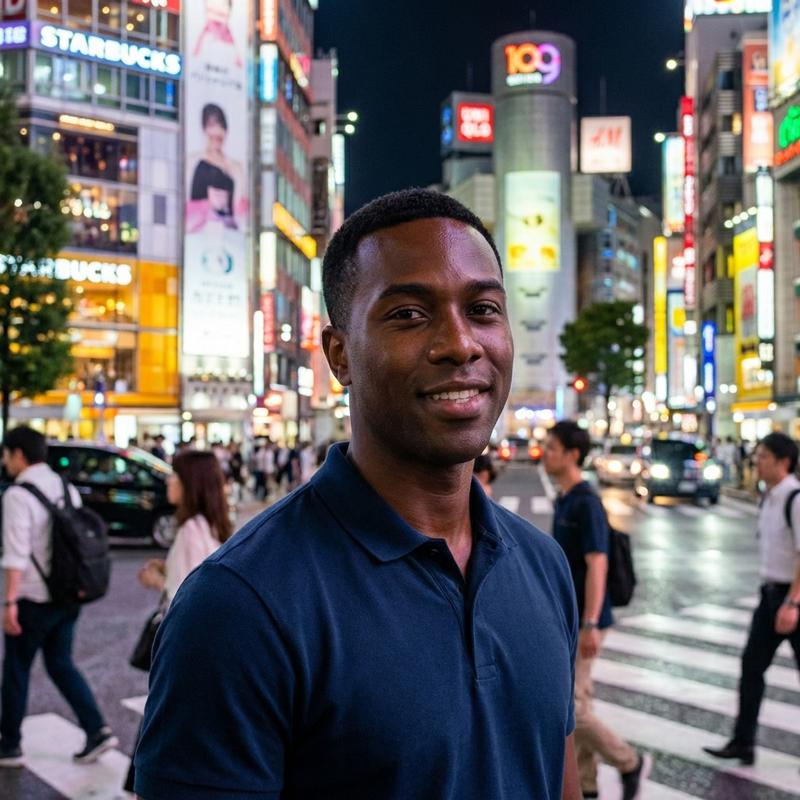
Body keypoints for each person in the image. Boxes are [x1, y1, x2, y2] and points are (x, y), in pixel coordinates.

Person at [134, 188, 582, 799]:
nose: (461, 344)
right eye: (408, 314)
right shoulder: (238, 607)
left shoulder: (543, 566)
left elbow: (558, 778)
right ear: (339, 354)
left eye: (482, 309)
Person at [543, 421, 651, 800]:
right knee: (580, 699)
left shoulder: (586, 502)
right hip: (572, 617)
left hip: (587, 618)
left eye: (552, 448)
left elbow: (598, 563)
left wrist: (589, 622)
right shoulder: (565, 498)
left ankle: (628, 762)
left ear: (573, 455)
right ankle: (587, 784)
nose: (545, 453)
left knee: (572, 707)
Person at [0, 427, 116, 767]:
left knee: (17, 668)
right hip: (68, 595)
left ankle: (9, 743)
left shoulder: (18, 496)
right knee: (60, 662)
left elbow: (15, 555)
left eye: (6, 454)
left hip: (33, 597)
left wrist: (8, 602)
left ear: (19, 454)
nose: (4, 461)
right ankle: (97, 729)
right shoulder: (64, 487)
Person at [124, 449, 233, 793]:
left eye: (175, 475)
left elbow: (185, 601)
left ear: (191, 484)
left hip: (185, 654)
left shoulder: (190, 532)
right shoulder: (213, 525)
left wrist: (159, 580)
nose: (169, 481)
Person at [704, 432, 800, 766]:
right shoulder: (769, 497)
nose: (756, 462)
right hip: (770, 596)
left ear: (783, 462)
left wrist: (793, 602)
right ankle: (743, 742)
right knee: (751, 669)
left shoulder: (795, 499)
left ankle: (743, 741)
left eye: (763, 457)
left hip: (793, 599)